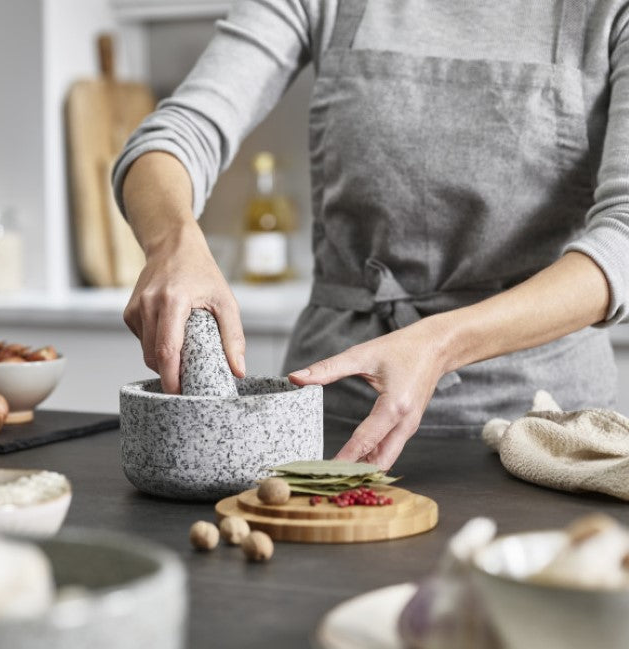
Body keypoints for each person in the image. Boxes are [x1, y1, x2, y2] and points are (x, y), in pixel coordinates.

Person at [111, 0, 629, 470]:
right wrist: (174, 242)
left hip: (549, 436)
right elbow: (176, 135)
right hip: (331, 426)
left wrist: (440, 344)